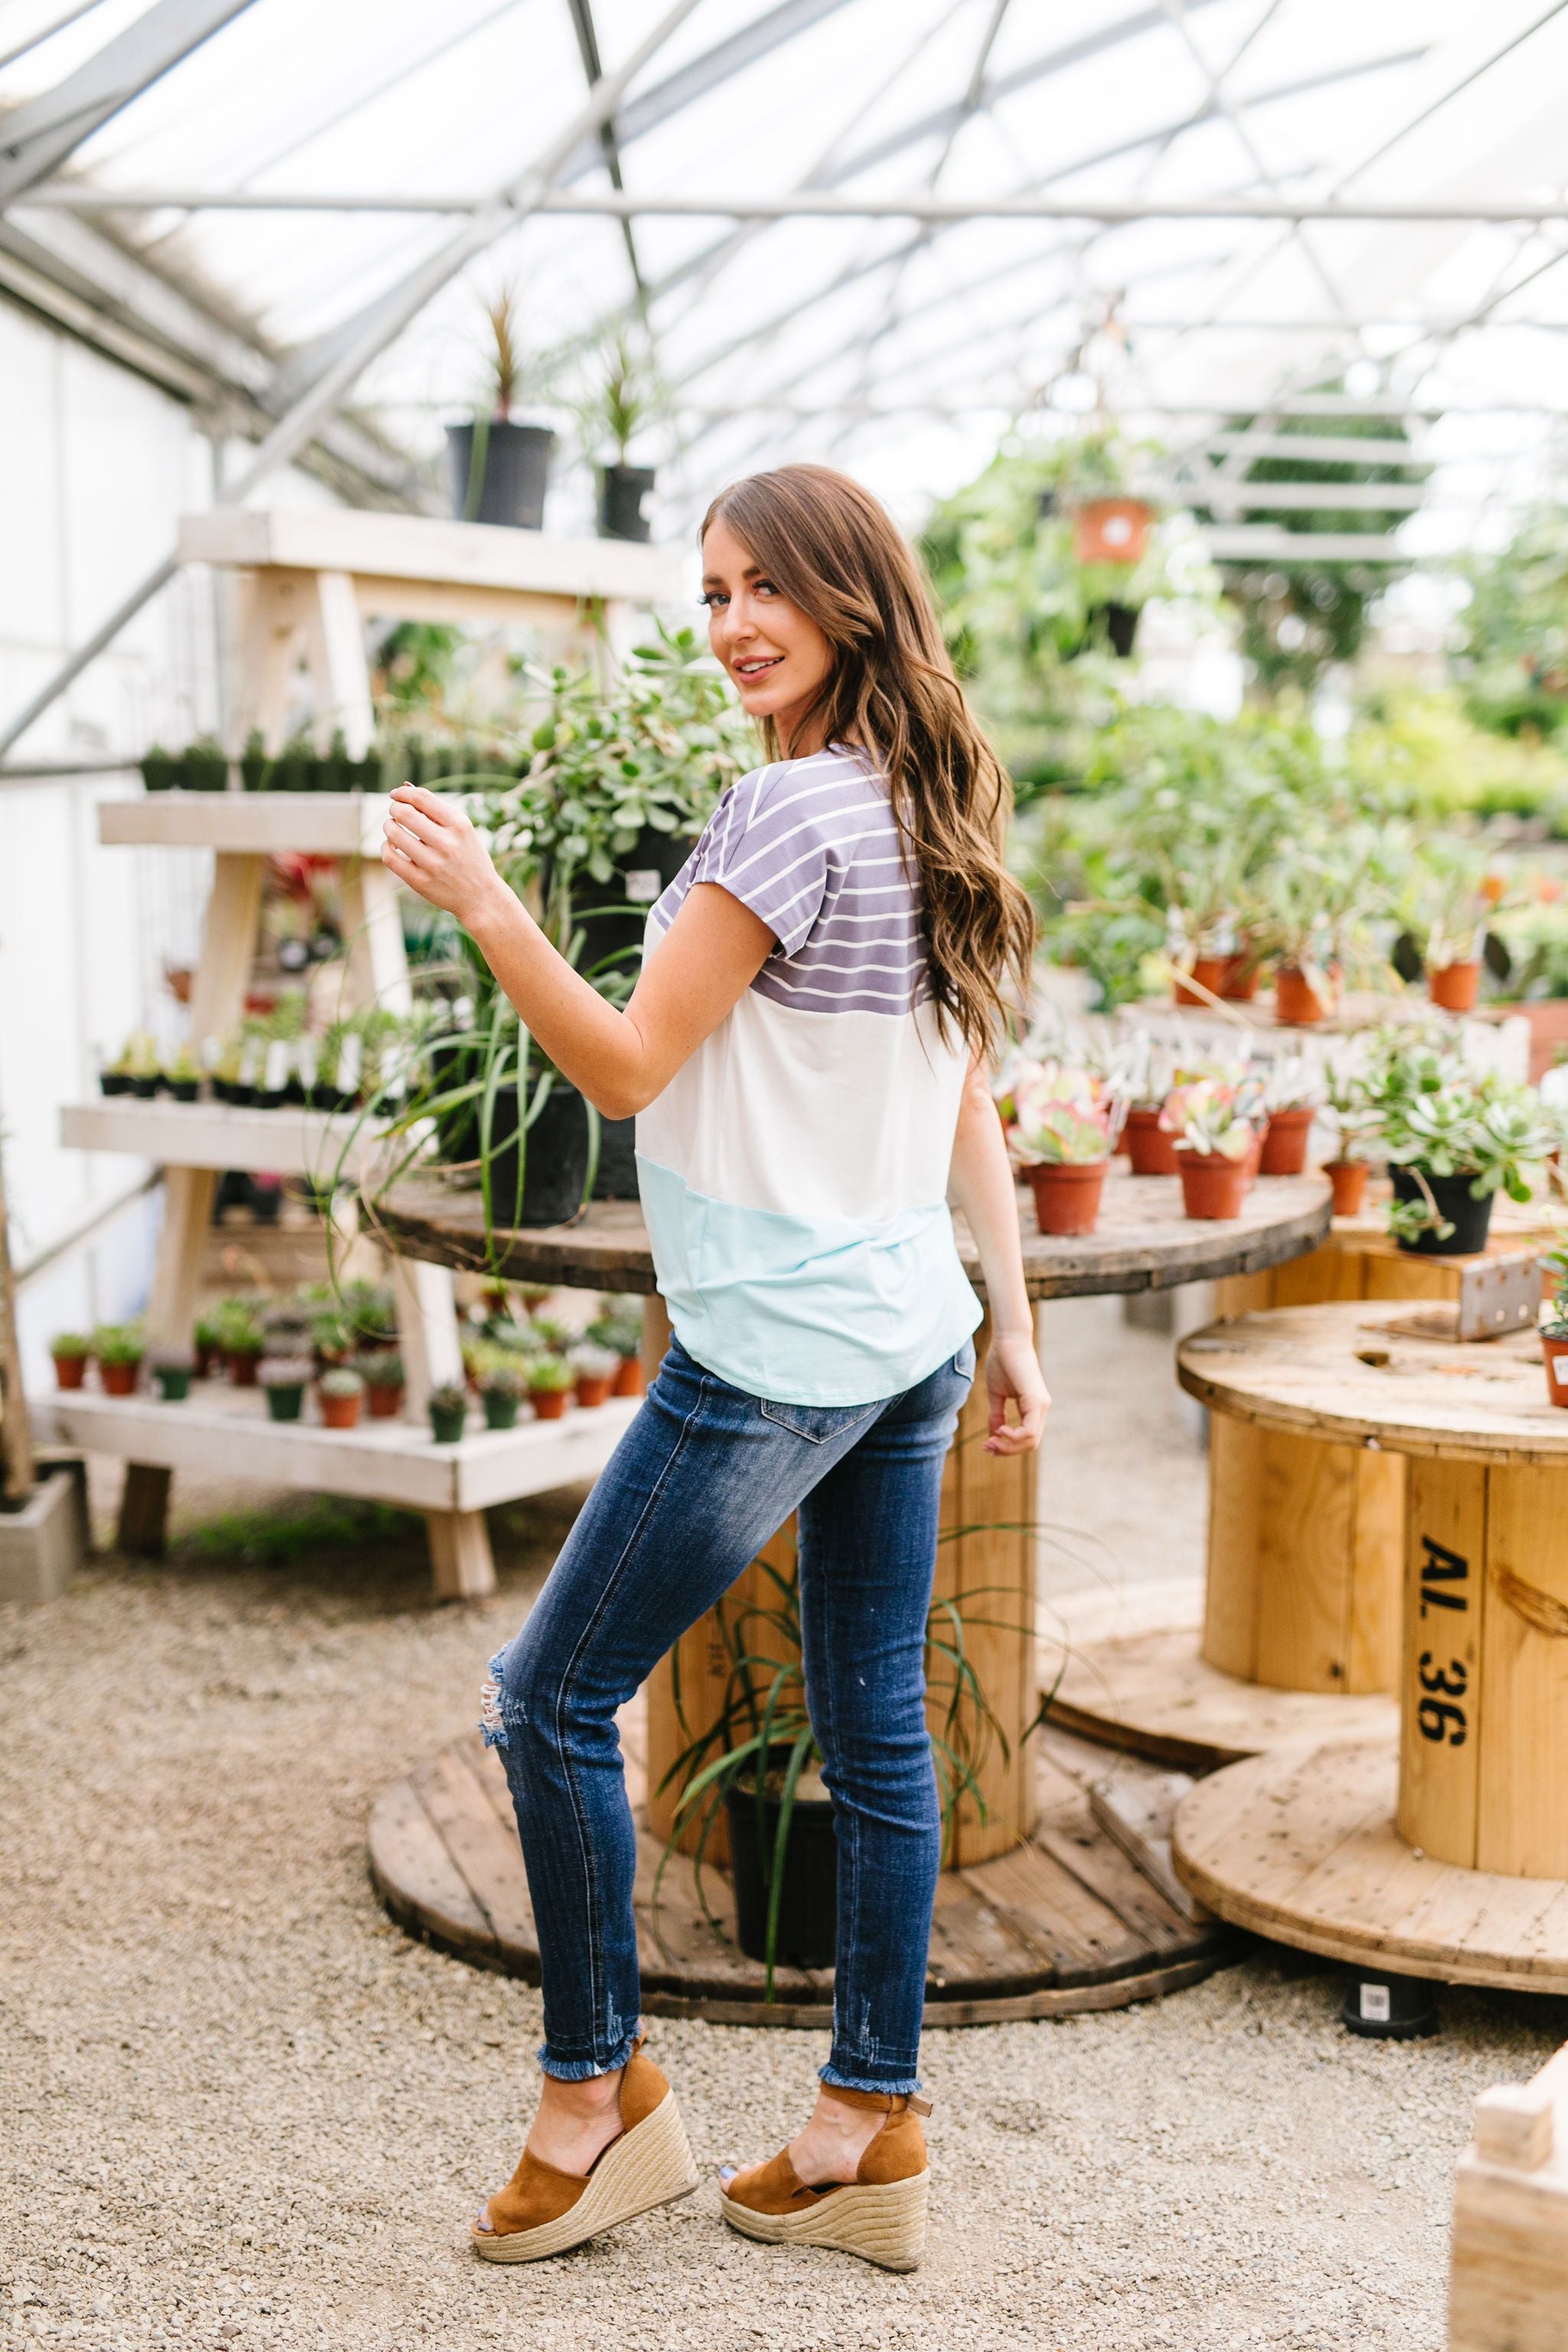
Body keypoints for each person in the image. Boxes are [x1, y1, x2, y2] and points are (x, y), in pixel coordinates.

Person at [381, 462, 1048, 2274]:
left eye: (766, 587)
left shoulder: (780, 812)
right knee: (878, 1733)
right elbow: (961, 1087)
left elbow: (620, 1072)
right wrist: (1012, 1324)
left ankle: (594, 2105)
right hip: (904, 1329)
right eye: (710, 592)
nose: (734, 623)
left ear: (850, 599)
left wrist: (485, 900)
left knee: (547, 1700)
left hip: (771, 1348)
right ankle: (863, 2129)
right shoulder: (933, 801)